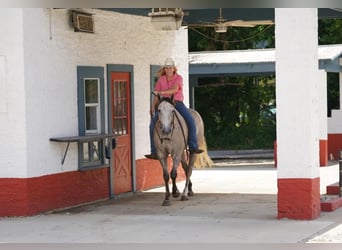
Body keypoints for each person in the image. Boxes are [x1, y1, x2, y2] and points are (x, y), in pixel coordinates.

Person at [145, 57, 204, 160]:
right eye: (166, 68)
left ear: (174, 69)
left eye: (170, 68)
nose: (168, 70)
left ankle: (193, 146)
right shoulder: (161, 80)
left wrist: (161, 93)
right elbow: (156, 95)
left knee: (190, 121)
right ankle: (154, 151)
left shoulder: (179, 78)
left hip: (177, 103)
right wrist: (152, 107)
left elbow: (174, 89)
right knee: (152, 125)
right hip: (163, 105)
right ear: (164, 69)